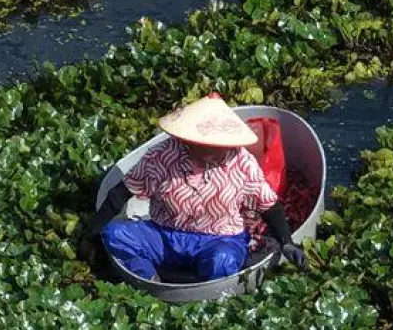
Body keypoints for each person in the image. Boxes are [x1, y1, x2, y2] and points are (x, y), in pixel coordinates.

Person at [93, 94, 302, 282]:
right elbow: (122, 192)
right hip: (164, 234)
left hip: (219, 239)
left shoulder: (242, 164)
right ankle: (149, 278)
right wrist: (91, 233)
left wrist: (287, 242)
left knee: (222, 261)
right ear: (189, 140)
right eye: (205, 144)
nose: (213, 150)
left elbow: (268, 206)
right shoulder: (162, 156)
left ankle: (198, 281)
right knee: (115, 234)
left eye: (219, 145)